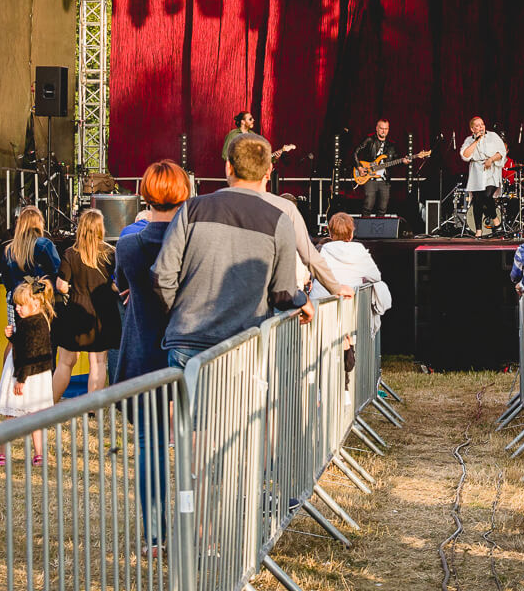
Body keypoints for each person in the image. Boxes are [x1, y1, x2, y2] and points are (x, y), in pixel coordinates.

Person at [155, 136, 347, 368]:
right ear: (268, 170)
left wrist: (179, 313)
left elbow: (162, 275)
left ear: (228, 167)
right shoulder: (279, 220)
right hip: (243, 344)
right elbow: (283, 292)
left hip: (187, 340)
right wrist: (303, 299)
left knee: (185, 406)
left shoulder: (191, 209)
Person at [111, 160, 191, 553]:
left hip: (143, 353)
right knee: (197, 444)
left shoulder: (127, 245)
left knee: (149, 445)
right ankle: (200, 529)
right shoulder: (193, 242)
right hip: (190, 351)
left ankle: (154, 537)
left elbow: (123, 287)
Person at [52, 209, 122, 400]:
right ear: (101, 229)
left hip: (75, 310)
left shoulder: (70, 253)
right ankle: (93, 407)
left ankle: (50, 404)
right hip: (103, 312)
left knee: (65, 362)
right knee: (98, 362)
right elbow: (117, 286)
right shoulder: (111, 253)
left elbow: (62, 286)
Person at [0, 278, 56, 466]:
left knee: (11, 415)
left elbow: (28, 353)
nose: (17, 309)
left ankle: (4, 452)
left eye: (21, 305)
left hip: (24, 373)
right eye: (16, 305)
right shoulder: (41, 320)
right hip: (37, 373)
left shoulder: (31, 324)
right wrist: (13, 336)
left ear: (35, 303)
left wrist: (20, 379)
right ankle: (39, 453)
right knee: (33, 415)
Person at [318, 213, 390, 329]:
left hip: (321, 311)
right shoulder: (358, 249)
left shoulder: (323, 250)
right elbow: (376, 277)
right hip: (348, 310)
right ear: (351, 234)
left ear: (330, 233)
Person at [458, 117, 507, 233]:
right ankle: (478, 231)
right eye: (478, 126)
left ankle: (496, 220)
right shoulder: (469, 140)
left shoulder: (493, 136)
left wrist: (491, 159)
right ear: (472, 129)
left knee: (486, 196)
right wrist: (477, 141)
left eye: (482, 125)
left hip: (491, 170)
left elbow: (502, 152)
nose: (481, 127)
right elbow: (465, 155)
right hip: (476, 172)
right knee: (477, 201)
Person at [3, 206, 63, 287]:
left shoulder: (9, 249)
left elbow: (7, 280)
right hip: (40, 297)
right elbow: (58, 273)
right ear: (39, 223)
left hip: (17, 296)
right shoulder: (45, 245)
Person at [354, 119, 398, 216]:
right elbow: (355, 153)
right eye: (381, 128)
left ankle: (379, 230)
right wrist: (359, 167)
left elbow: (396, 160)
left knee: (383, 209)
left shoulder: (391, 145)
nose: (384, 131)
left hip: (384, 180)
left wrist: (404, 161)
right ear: (377, 129)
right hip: (370, 178)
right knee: (367, 206)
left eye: (386, 129)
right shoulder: (369, 140)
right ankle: (364, 230)